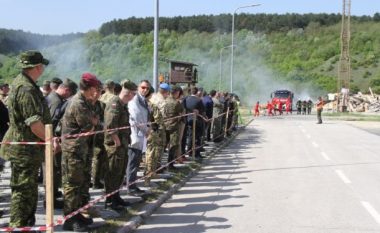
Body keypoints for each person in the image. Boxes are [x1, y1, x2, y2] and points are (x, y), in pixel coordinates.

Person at [0, 50, 52, 228]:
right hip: (24, 150)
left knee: (28, 189)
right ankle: (18, 226)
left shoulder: (24, 83)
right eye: (42, 65)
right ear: (37, 67)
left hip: (27, 148)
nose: (43, 68)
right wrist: (50, 140)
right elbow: (35, 123)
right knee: (23, 190)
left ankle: (25, 225)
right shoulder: (26, 88)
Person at [61, 72, 102, 231]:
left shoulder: (86, 102)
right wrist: (93, 123)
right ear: (90, 87)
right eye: (96, 88)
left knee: (81, 183)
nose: (97, 91)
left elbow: (95, 123)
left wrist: (94, 123)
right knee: (72, 185)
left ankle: (77, 214)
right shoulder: (78, 103)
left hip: (81, 149)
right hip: (73, 151)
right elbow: (89, 127)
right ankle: (69, 219)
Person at [104, 79, 137, 210]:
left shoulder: (122, 105)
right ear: (128, 94)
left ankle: (116, 197)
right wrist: (117, 142)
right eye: (133, 94)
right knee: (113, 173)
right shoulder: (115, 103)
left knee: (119, 172)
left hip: (122, 144)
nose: (134, 97)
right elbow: (110, 126)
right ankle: (110, 201)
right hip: (114, 145)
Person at [45, 78, 77, 209]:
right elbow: (51, 122)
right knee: (53, 171)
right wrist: (54, 140)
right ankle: (50, 201)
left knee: (54, 170)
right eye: (71, 93)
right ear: (66, 90)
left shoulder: (53, 97)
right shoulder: (56, 101)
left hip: (52, 140)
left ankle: (51, 198)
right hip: (52, 141)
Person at [127, 80, 151, 194]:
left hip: (141, 134)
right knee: (132, 162)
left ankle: (132, 184)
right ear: (138, 87)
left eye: (147, 88)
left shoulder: (143, 100)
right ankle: (130, 187)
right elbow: (136, 116)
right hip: (135, 134)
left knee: (136, 162)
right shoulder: (134, 99)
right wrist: (146, 129)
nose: (145, 90)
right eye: (143, 87)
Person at [162, 84, 184, 169]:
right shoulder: (176, 103)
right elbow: (181, 113)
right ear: (177, 92)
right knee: (173, 145)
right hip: (173, 127)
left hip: (164, 126)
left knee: (163, 145)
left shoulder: (164, 101)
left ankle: (158, 164)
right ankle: (170, 163)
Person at [182, 86, 205, 159]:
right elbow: (202, 111)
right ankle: (196, 153)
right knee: (197, 137)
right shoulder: (199, 100)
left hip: (188, 120)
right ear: (197, 91)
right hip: (197, 120)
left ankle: (189, 150)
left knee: (189, 136)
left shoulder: (186, 99)